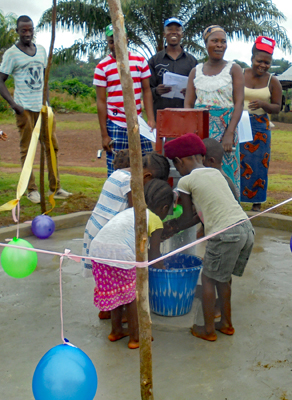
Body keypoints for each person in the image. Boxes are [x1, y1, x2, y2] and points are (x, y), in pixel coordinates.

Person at [163, 133, 254, 342]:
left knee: (207, 279)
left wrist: (171, 227)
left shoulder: (186, 181)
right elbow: (205, 212)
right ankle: (227, 324)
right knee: (223, 279)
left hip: (224, 234)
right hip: (245, 229)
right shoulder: (217, 174)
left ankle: (209, 330)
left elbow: (186, 217)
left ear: (178, 161)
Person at [89, 179, 173, 349]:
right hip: (121, 254)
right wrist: (164, 271)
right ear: (164, 209)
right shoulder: (155, 220)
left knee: (115, 291)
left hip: (97, 251)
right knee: (131, 296)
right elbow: (154, 254)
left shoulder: (131, 211)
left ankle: (116, 330)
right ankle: (136, 337)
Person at [0, 15, 72, 203]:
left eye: (30, 30)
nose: (27, 33)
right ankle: (31, 189)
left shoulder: (40, 51)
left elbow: (44, 80)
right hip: (24, 110)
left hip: (43, 109)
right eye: (23, 30)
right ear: (17, 31)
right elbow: (0, 80)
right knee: (28, 149)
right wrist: (14, 105)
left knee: (52, 147)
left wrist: (48, 104)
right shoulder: (11, 54)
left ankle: (55, 187)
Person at [82, 151, 170, 279]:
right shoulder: (130, 182)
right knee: (119, 279)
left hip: (96, 229)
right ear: (147, 176)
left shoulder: (119, 173)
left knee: (105, 281)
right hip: (108, 235)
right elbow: (137, 215)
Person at [184, 25, 244, 197]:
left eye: (223, 42)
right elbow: (188, 104)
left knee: (226, 172)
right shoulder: (196, 71)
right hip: (200, 130)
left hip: (226, 129)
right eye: (215, 41)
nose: (220, 45)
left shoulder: (234, 69)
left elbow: (239, 103)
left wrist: (229, 133)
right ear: (206, 43)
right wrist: (191, 134)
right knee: (201, 171)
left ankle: (230, 215)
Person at [93, 23, 156, 177]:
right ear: (108, 43)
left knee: (147, 165)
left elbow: (146, 91)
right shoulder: (102, 67)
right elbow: (101, 101)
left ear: (127, 39)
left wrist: (151, 119)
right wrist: (104, 134)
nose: (115, 44)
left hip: (139, 123)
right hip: (116, 124)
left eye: (119, 39)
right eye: (111, 41)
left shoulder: (140, 61)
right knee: (117, 168)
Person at [240, 36, 282, 211]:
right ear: (252, 58)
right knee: (238, 161)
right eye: (259, 61)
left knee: (258, 164)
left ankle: (256, 203)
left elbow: (277, 107)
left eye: (267, 63)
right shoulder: (239, 74)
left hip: (260, 125)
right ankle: (237, 199)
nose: (263, 65)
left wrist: (264, 105)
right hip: (239, 122)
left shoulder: (273, 81)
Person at [148, 17, 197, 118]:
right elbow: (147, 90)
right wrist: (156, 91)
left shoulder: (192, 62)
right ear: (164, 34)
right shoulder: (154, 61)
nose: (174, 32)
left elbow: (199, 90)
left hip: (186, 117)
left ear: (182, 34)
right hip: (161, 117)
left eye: (177, 29)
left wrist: (190, 92)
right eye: (170, 29)